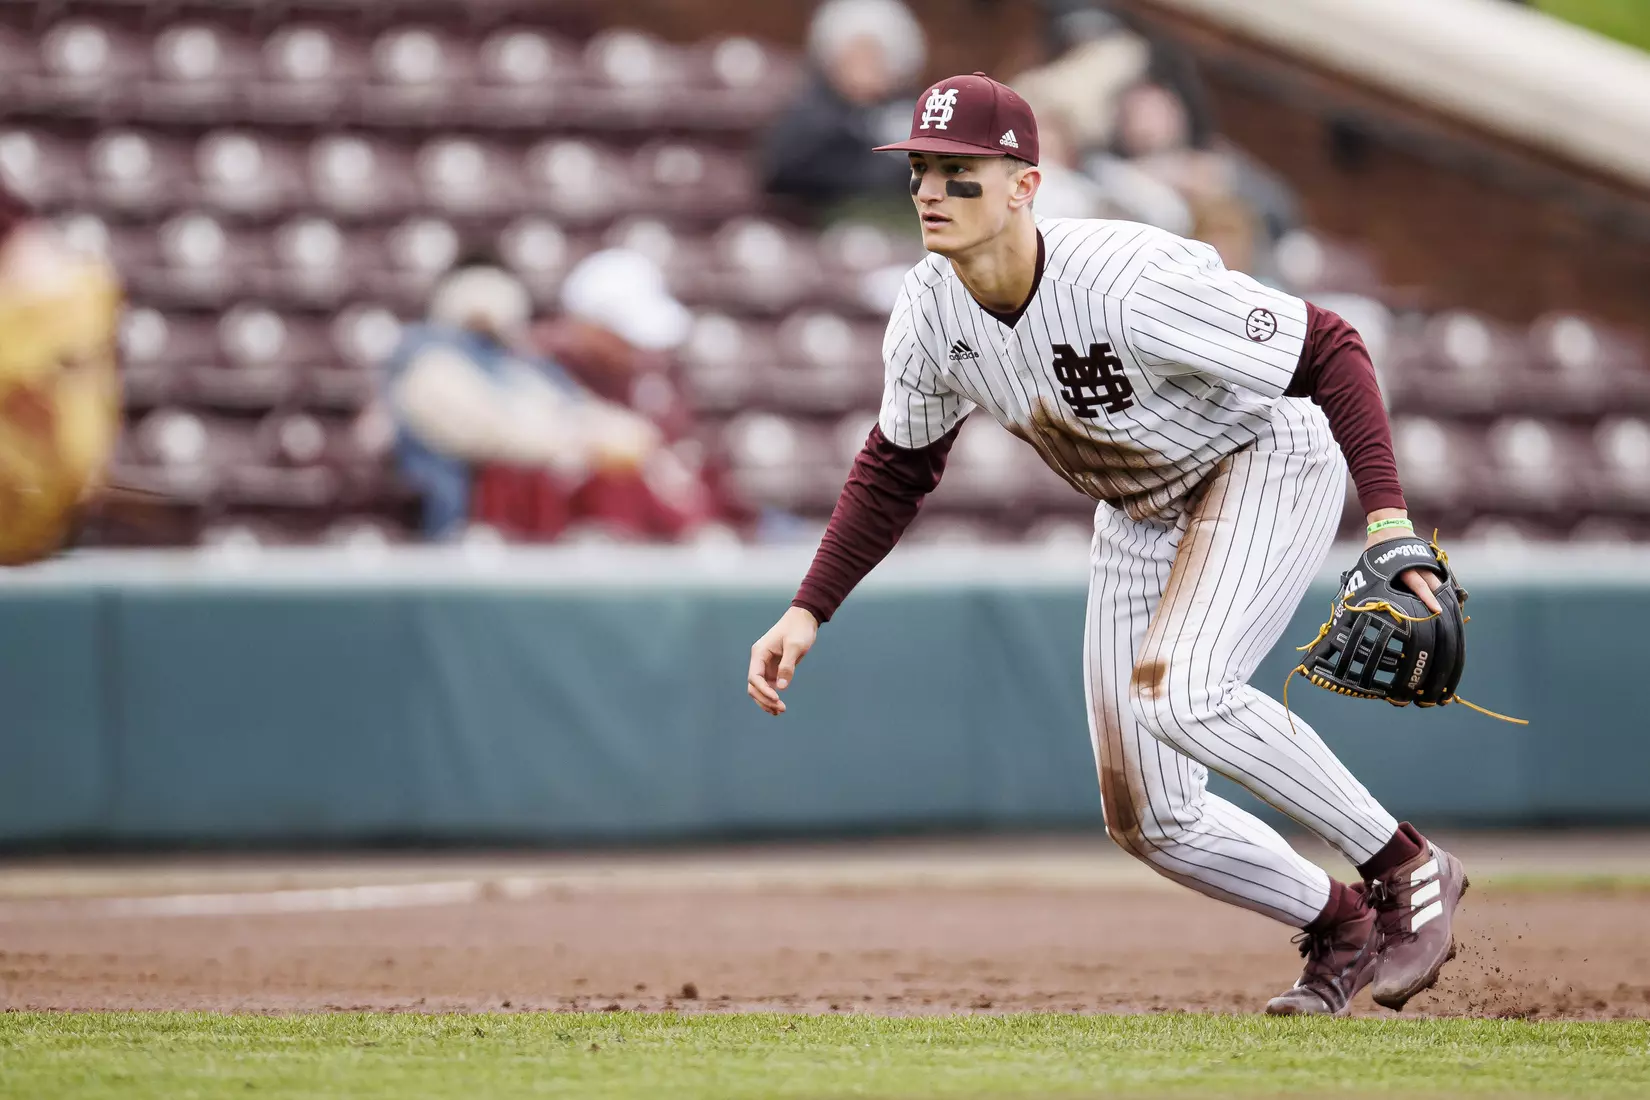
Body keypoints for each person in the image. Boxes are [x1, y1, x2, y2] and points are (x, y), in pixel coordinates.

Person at [745, 73, 1466, 1017]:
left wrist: (1387, 521)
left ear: (1023, 186)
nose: (930, 189)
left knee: (1188, 694)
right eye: (920, 168)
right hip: (1137, 507)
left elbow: (1330, 344)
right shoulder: (929, 309)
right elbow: (895, 466)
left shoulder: (1124, 279)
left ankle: (1408, 865)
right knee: (1150, 817)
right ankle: (1340, 922)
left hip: (1258, 457)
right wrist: (809, 606)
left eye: (960, 171)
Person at [759, 0, 926, 219]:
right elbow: (783, 171)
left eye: (873, 56)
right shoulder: (810, 116)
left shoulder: (914, 112)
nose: (863, 68)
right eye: (854, 56)